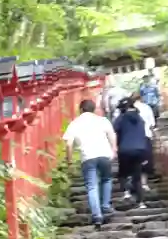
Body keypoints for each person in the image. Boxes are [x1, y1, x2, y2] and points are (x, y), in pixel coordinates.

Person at [63, 99, 117, 228]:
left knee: (92, 186)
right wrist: (114, 149)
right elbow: (112, 135)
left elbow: (69, 144)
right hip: (104, 154)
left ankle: (97, 215)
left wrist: (69, 161)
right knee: (106, 179)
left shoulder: (75, 123)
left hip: (87, 157)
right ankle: (105, 205)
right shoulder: (102, 120)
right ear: (94, 109)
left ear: (81, 109)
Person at [114, 96, 149, 207]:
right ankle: (141, 202)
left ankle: (126, 193)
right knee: (137, 177)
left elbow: (114, 131)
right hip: (140, 149)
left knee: (123, 173)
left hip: (125, 149)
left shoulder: (121, 118)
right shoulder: (140, 118)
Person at [132, 91, 156, 191]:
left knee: (134, 161)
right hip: (146, 137)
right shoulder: (147, 107)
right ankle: (144, 183)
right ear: (141, 98)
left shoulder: (129, 110)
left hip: (132, 138)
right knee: (145, 161)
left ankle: (134, 183)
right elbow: (152, 124)